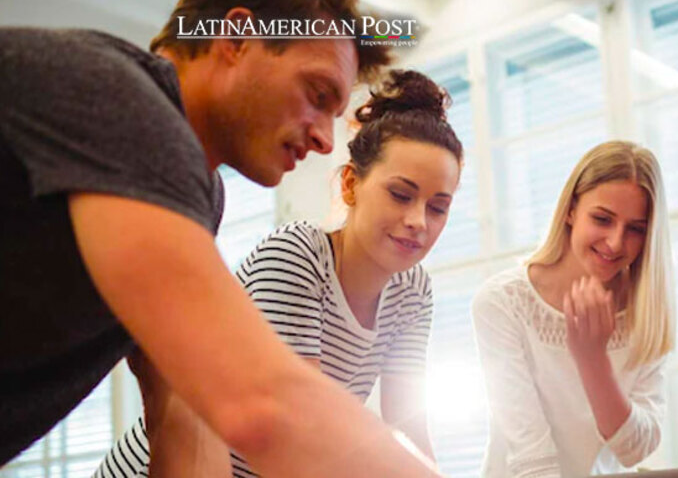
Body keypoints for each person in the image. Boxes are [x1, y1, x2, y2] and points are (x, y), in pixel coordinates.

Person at [0, 0, 441, 476]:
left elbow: (183, 415)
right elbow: (261, 404)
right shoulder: (114, 96)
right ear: (235, 37)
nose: (322, 138)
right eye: (316, 95)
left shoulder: (199, 197)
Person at [93, 69, 461, 477]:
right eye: (400, 195)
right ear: (351, 185)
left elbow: (408, 426)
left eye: (438, 207)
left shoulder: (413, 291)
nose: (418, 221)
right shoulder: (298, 255)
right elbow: (299, 432)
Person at [471, 141, 674, 477]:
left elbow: (634, 449)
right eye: (602, 219)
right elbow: (530, 454)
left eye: (635, 229)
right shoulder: (502, 303)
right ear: (570, 210)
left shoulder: (647, 316)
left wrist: (593, 361)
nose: (615, 242)